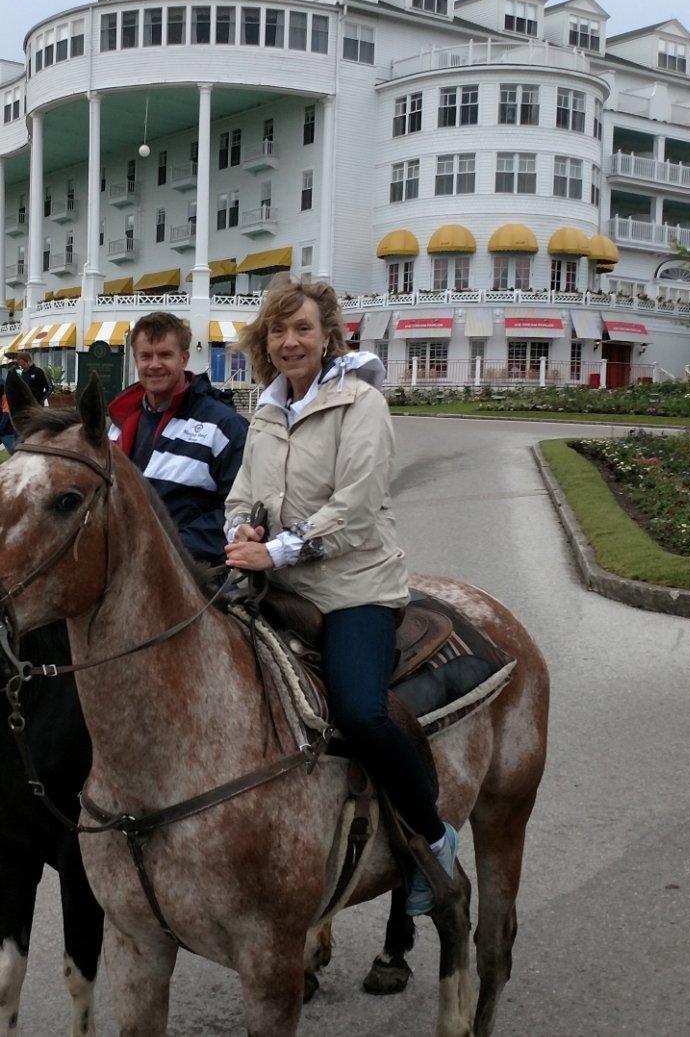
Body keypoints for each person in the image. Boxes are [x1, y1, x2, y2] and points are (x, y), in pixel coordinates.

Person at [221, 276, 453, 916]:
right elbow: (241, 494)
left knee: (359, 712)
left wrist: (276, 551)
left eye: (303, 329)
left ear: (329, 336)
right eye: (278, 329)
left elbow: (353, 511)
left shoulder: (362, 405)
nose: (289, 341)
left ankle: (434, 838)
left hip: (355, 589)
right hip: (279, 584)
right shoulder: (264, 410)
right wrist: (241, 528)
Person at [107, 311, 247, 565]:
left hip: (191, 573)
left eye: (165, 354)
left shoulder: (223, 426)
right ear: (136, 361)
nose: (154, 364)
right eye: (146, 356)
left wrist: (169, 548)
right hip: (123, 566)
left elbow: (239, 508)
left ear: (184, 358)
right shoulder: (118, 423)